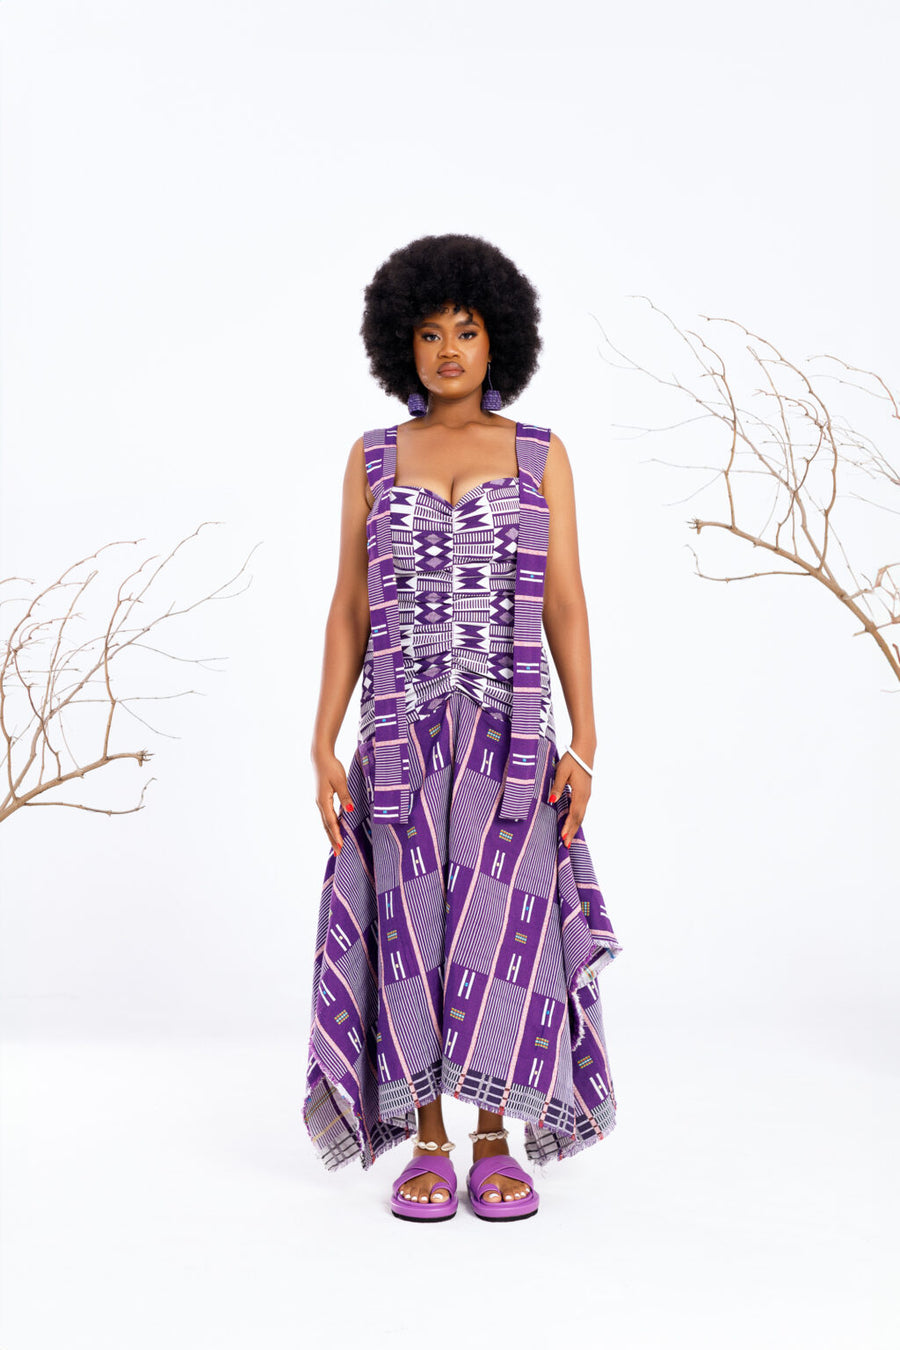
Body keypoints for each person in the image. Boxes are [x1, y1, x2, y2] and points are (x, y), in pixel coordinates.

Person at [302, 233, 623, 1222]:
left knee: (503, 933)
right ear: (402, 342)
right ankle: (428, 1140)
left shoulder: (538, 454)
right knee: (412, 930)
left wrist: (586, 741)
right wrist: (322, 743)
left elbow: (565, 600)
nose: (449, 350)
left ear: (499, 340)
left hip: (510, 739)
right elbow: (349, 607)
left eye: (468, 331)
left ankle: (495, 1138)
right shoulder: (373, 457)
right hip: (400, 737)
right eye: (432, 332)